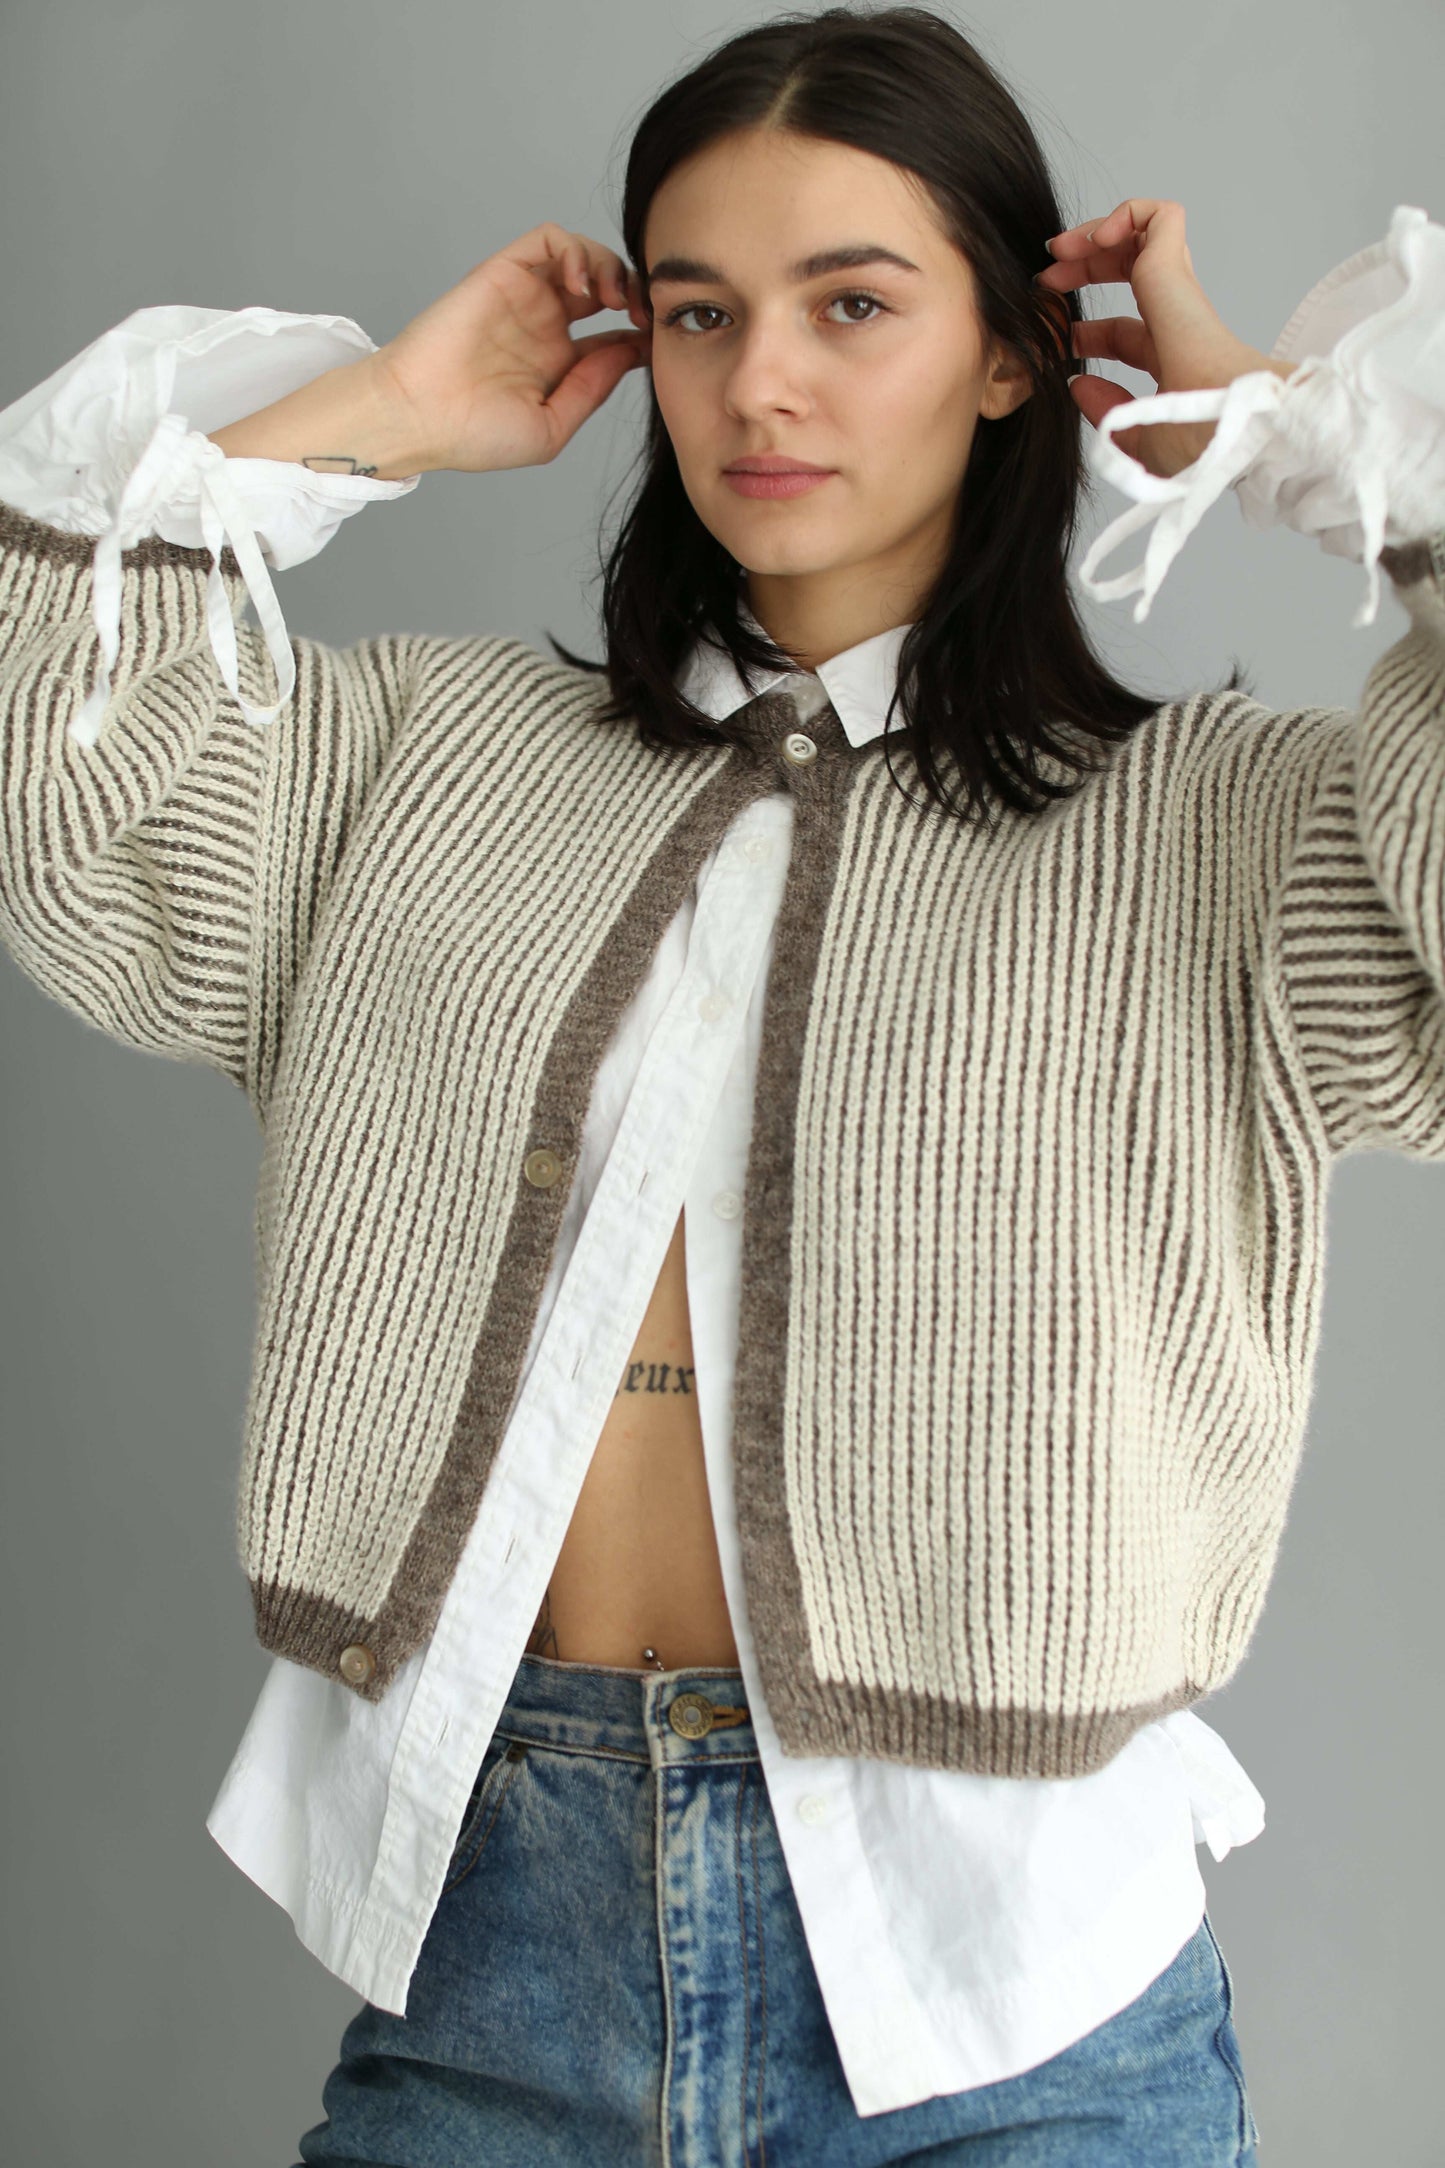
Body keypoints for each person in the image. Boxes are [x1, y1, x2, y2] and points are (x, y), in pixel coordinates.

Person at [1, 5, 1440, 2161]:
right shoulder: (414, 762)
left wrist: (1322, 443)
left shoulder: (1220, 831)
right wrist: (370, 418)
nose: (756, 382)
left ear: (1015, 354)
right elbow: (48, 771)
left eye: (853, 304)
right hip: (492, 1952)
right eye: (698, 310)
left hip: (1018, 2005)